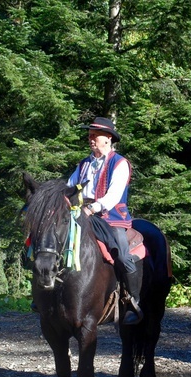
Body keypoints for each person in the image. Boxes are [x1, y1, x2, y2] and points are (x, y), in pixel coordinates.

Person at [66, 117, 143, 325]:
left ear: (108, 138)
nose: (90, 139)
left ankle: (133, 301)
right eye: (89, 135)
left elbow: (113, 195)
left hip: (111, 218)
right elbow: (69, 187)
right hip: (83, 214)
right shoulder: (83, 164)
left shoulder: (120, 164)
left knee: (121, 251)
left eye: (95, 135)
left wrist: (92, 207)